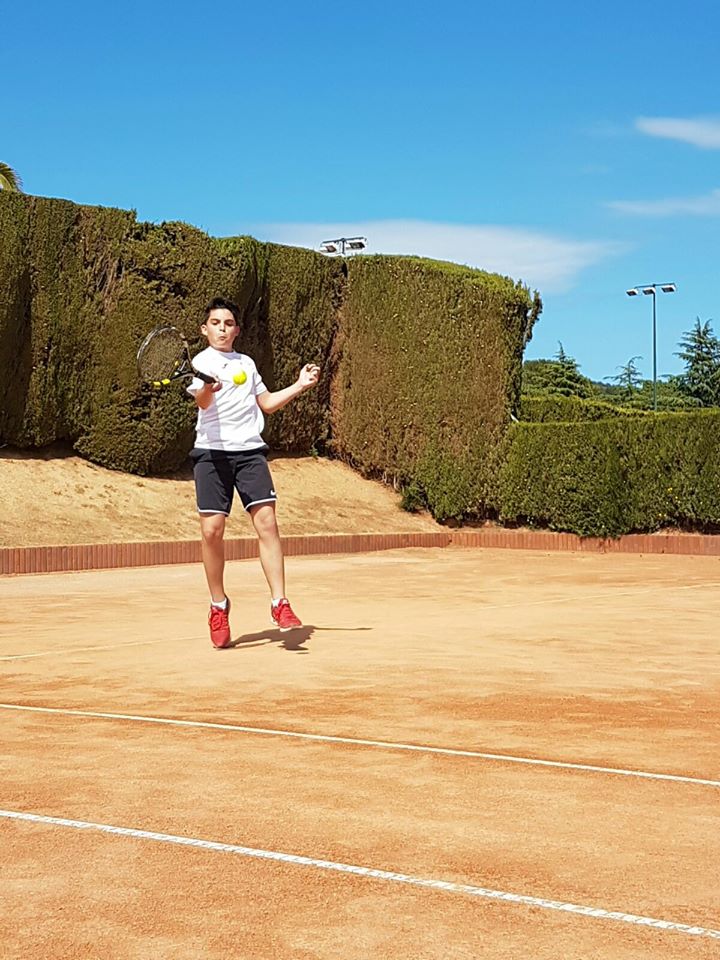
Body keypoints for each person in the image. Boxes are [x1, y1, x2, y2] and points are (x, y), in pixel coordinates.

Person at [187, 297, 320, 648]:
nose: (222, 329)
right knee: (212, 531)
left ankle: (280, 603)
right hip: (212, 455)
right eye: (215, 323)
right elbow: (201, 403)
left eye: (228, 323)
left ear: (236, 330)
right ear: (205, 329)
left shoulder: (246, 362)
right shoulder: (200, 362)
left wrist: (299, 386)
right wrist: (207, 387)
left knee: (267, 523)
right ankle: (219, 605)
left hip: (249, 453)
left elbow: (266, 404)